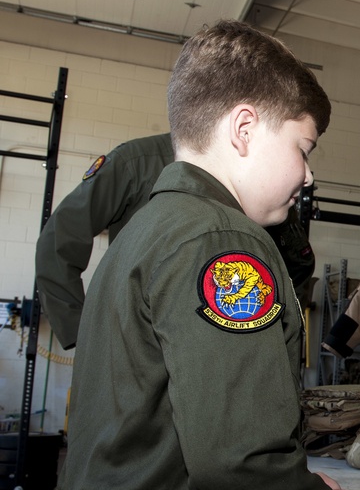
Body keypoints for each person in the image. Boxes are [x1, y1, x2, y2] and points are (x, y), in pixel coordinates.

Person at [40, 19, 360, 490]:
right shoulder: (222, 241)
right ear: (244, 130)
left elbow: (165, 427)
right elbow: (233, 460)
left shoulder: (146, 230)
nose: (307, 173)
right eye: (303, 147)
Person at [35, 132, 316, 350]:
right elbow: (58, 242)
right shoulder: (136, 163)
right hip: (140, 342)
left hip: (220, 350)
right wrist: (82, 335)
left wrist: (268, 334)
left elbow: (298, 262)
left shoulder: (256, 178)